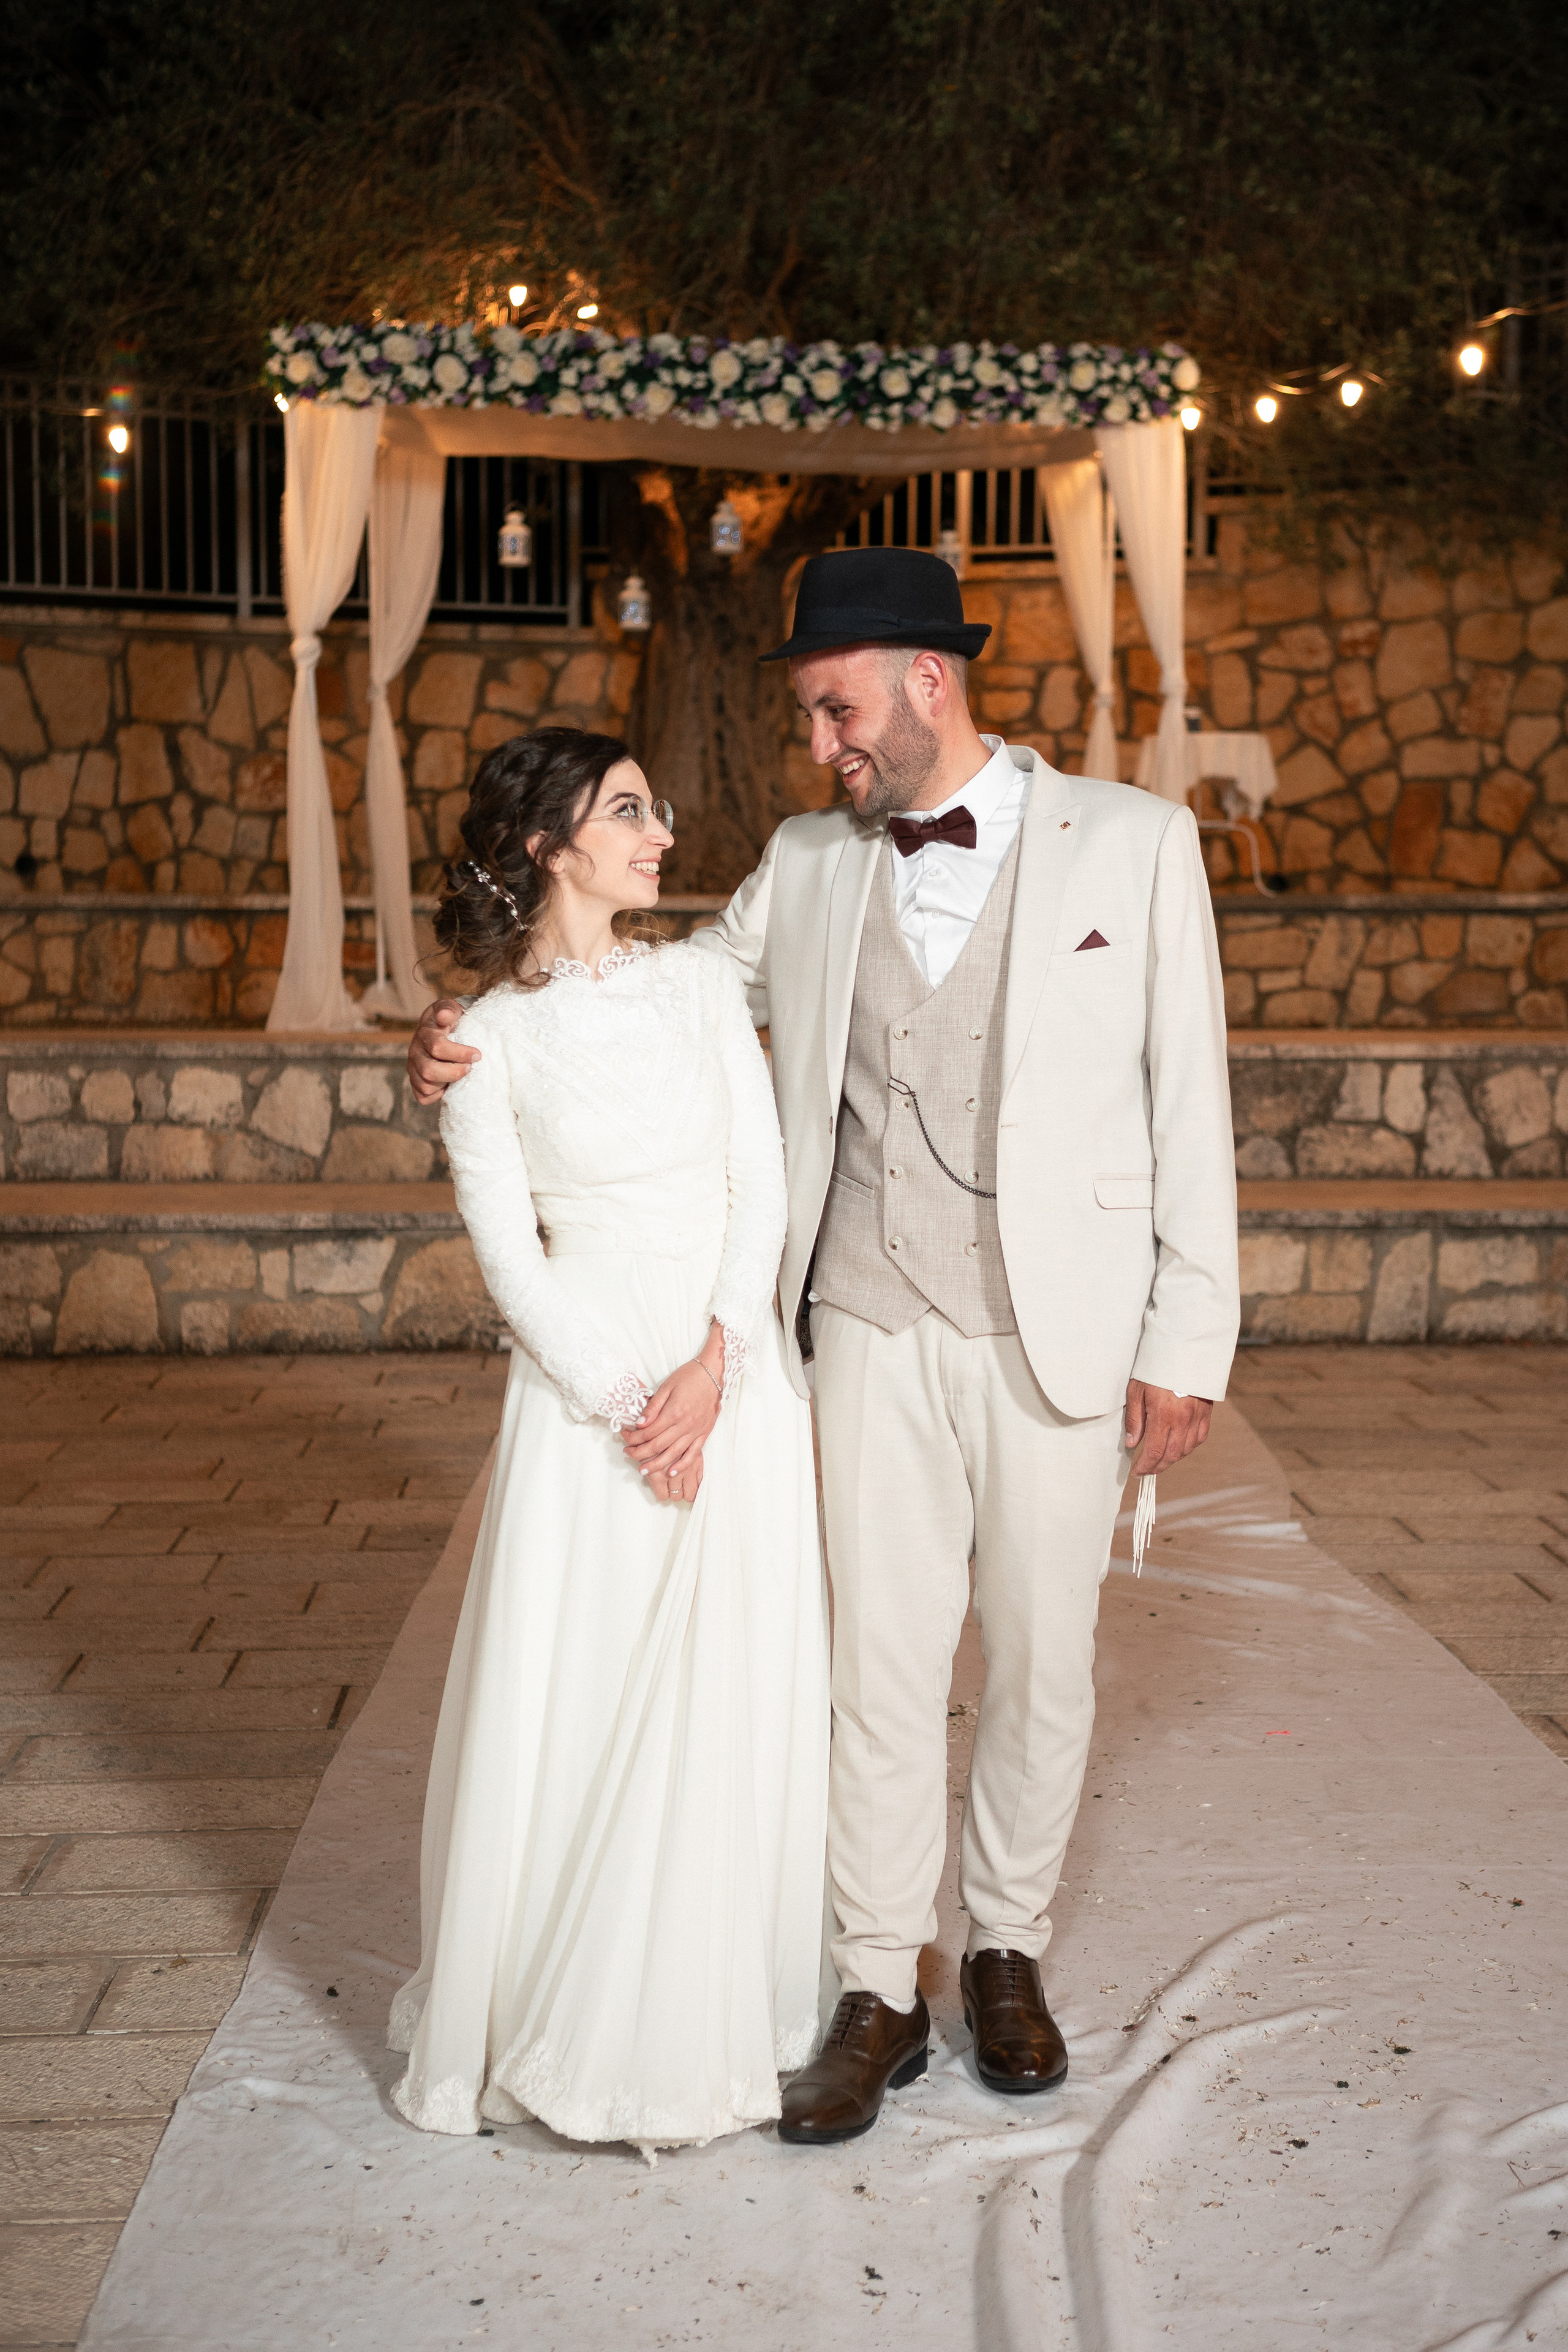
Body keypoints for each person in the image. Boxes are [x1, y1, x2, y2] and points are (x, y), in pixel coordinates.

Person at [409, 549, 1238, 2149]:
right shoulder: (809, 855)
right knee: (873, 1667)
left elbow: (1187, 1091)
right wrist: (474, 1031)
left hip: (1065, 1323)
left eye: (833, 706)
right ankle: (876, 1982)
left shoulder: (1135, 843)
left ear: (928, 677)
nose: (819, 743)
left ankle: (1005, 1950)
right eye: (809, 715)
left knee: (1044, 1665)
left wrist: (1186, 1332)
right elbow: (648, 998)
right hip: (859, 1312)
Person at [388, 726, 829, 2157]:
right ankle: (556, 2005)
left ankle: (723, 2002)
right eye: (629, 811)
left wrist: (715, 1363)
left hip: (728, 1368)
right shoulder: (482, 1041)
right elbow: (508, 1259)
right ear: (546, 845)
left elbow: (755, 1187)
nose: (661, 831)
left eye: (655, 808)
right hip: (588, 1397)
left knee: (728, 1687)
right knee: (578, 1688)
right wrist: (623, 1400)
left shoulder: (702, 987)